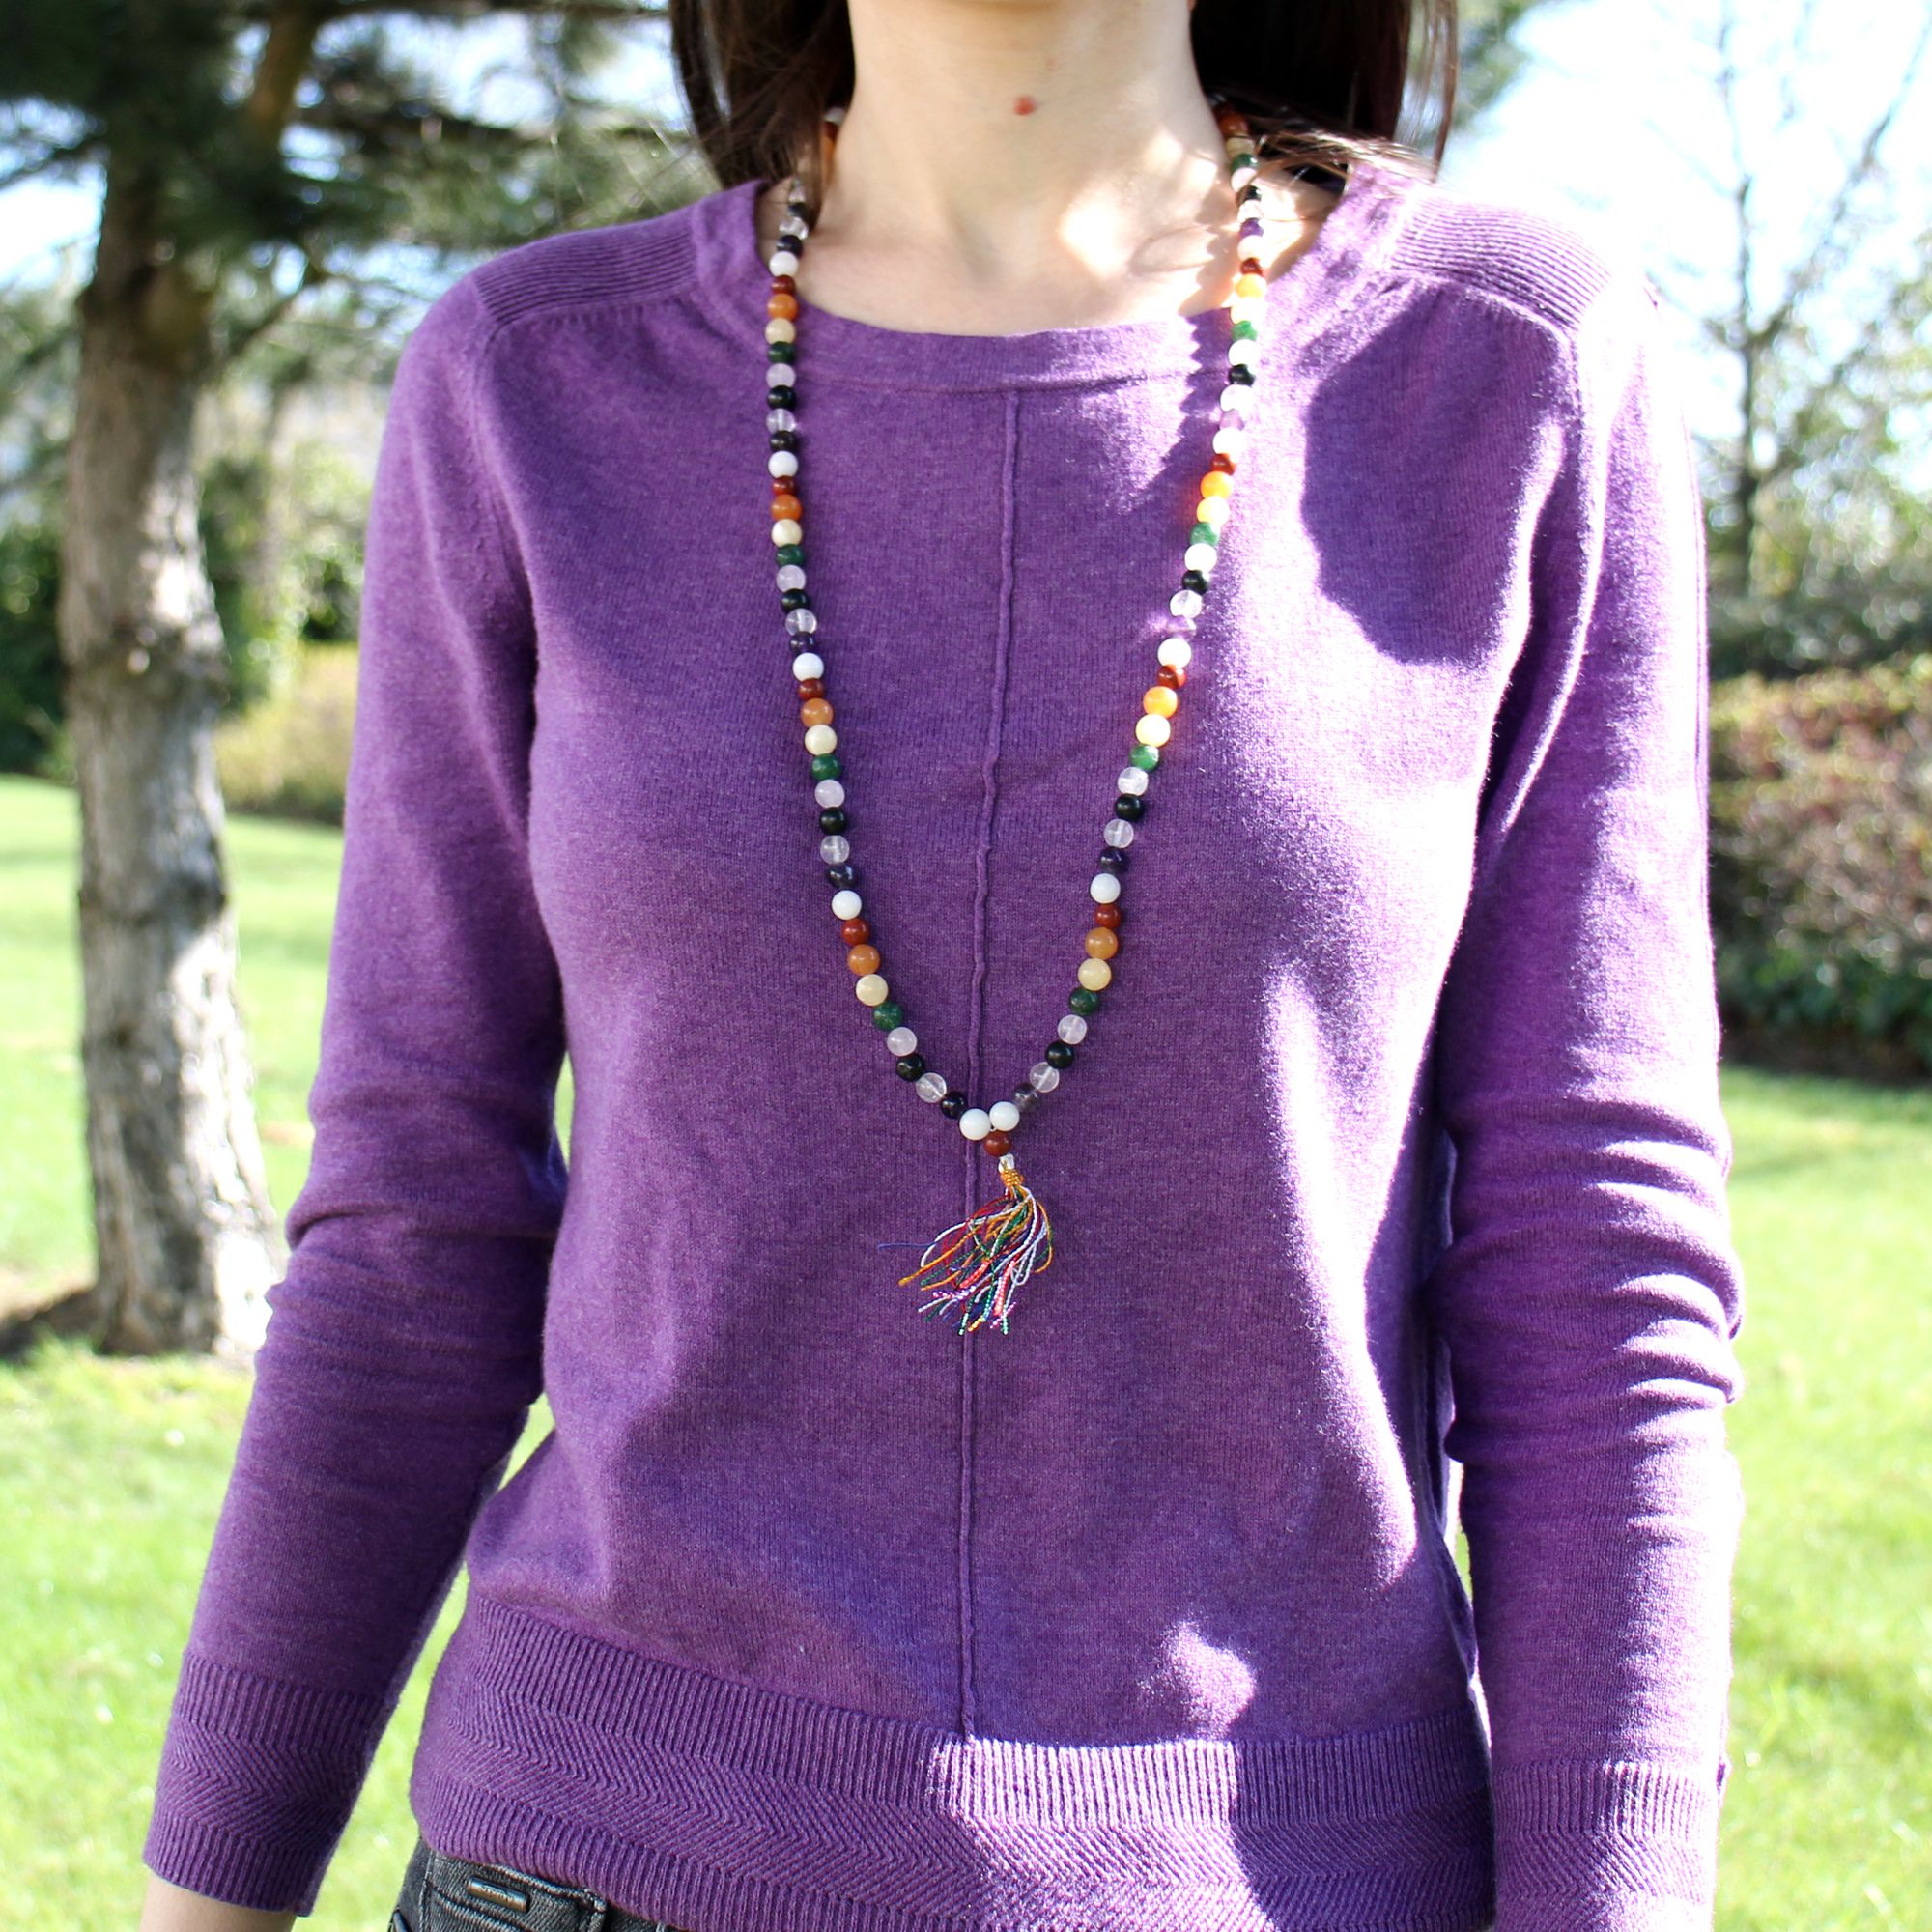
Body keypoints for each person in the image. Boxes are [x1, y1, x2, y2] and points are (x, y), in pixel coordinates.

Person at [135, 1, 1747, 1929]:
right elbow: (415, 1224)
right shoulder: (532, 382)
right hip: (589, 1862)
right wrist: (212, 1890)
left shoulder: (1505, 369)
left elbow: (1594, 1261)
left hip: (1281, 1876)